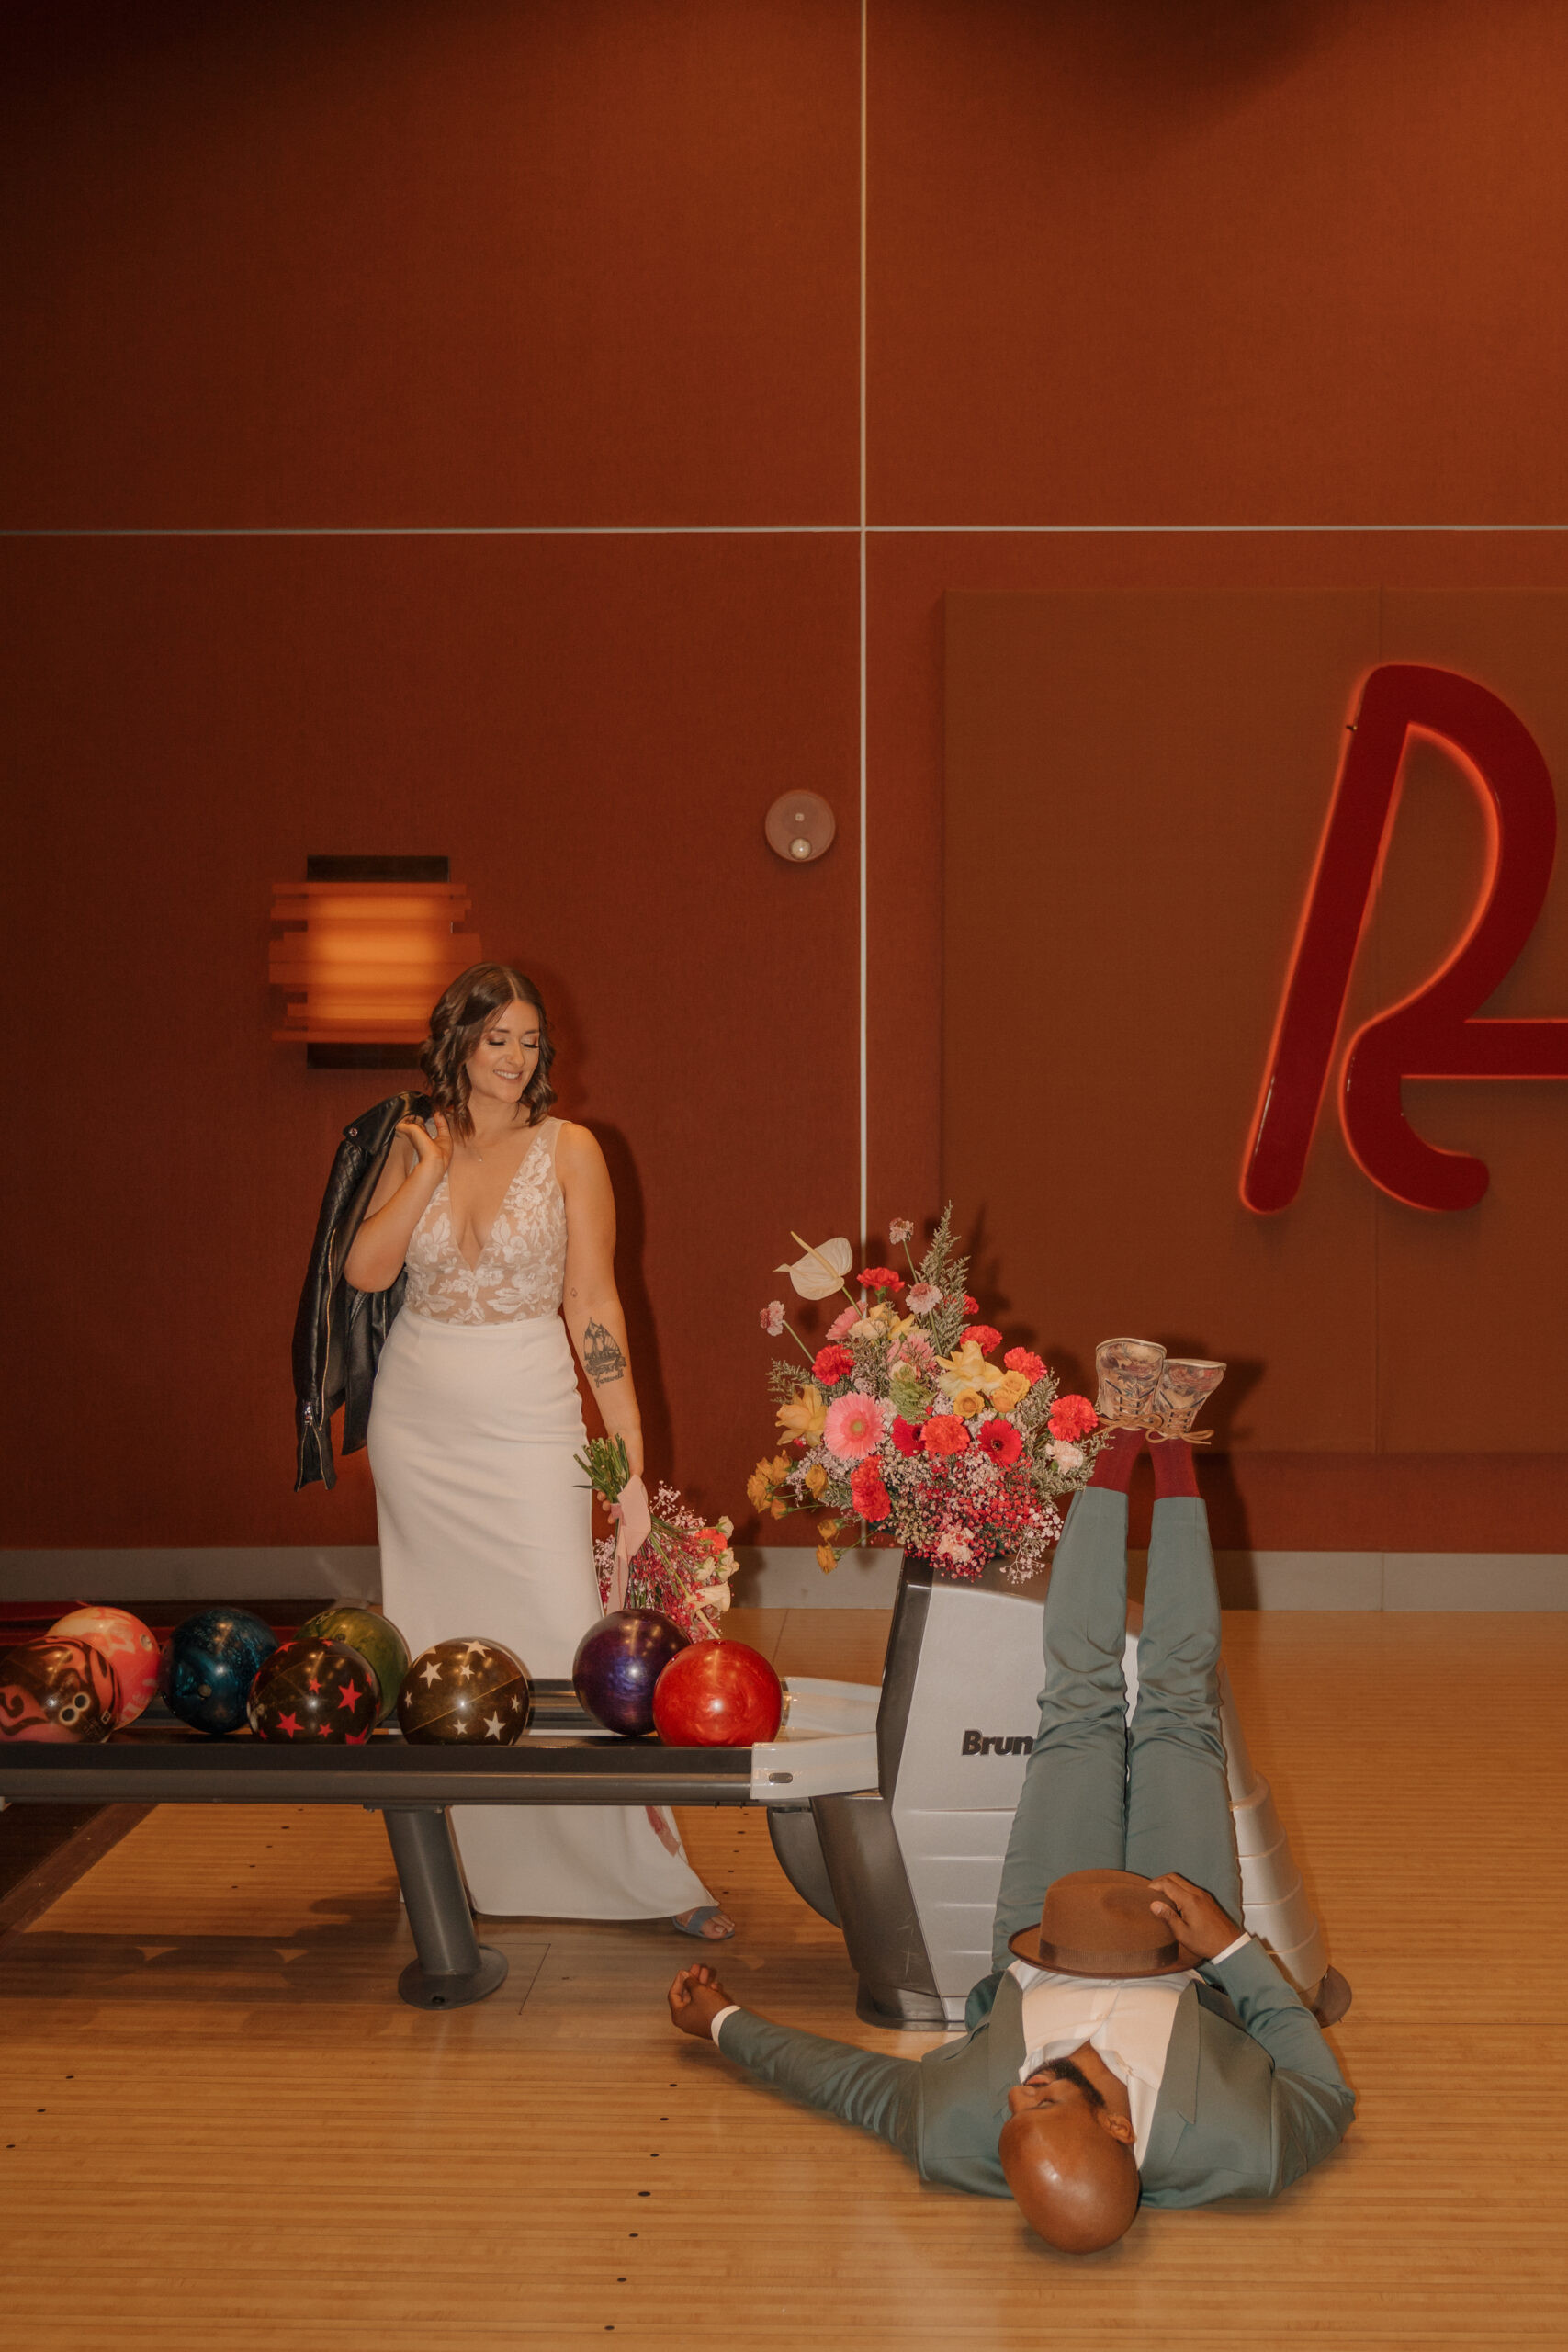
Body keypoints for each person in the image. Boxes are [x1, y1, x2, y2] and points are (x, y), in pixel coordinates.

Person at [666, 1348, 1353, 2244]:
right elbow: (1324, 2091)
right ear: (1118, 2129)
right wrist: (1228, 1949)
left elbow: (852, 2087)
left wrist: (719, 2021)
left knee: (1078, 1701)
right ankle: (1175, 1445)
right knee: (1180, 1704)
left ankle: (1116, 1440)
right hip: (1188, 1942)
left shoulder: (957, 2128)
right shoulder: (1241, 2146)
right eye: (1044, 2105)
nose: (1017, 2094)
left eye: (1009, 2119)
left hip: (1050, 1914)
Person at [341, 961, 733, 1939]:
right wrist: (425, 1170)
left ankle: (643, 1876)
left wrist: (627, 1462)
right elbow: (364, 1269)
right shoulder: (410, 1139)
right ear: (458, 1042)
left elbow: (593, 1304)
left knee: (566, 1631)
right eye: (496, 1039)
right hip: (419, 1418)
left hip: (529, 1410)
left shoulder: (573, 1150)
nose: (515, 1059)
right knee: (437, 1639)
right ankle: (458, 1871)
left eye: (529, 1041)